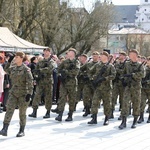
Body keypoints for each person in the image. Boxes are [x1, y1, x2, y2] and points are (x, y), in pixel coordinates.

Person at [0, 52, 33, 137]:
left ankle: (21, 130)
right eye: (15, 57)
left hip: (23, 94)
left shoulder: (26, 69)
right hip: (13, 93)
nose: (15, 58)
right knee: (9, 110)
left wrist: (29, 94)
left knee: (22, 113)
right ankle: (5, 128)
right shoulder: (13, 68)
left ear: (21, 58)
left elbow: (30, 82)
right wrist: (9, 61)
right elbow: (5, 70)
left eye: (17, 57)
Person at [118, 49, 145, 129]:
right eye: (130, 55)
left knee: (136, 104)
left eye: (132, 55)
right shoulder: (127, 64)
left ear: (136, 56)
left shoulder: (140, 65)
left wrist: (132, 75)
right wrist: (123, 78)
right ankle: (123, 121)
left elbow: (142, 75)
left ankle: (135, 121)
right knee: (125, 103)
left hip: (136, 87)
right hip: (128, 87)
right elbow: (123, 72)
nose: (130, 56)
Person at [87, 51, 116, 125]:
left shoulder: (110, 66)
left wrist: (105, 78)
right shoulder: (97, 65)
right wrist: (92, 78)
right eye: (101, 55)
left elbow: (113, 75)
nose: (101, 57)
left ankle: (107, 118)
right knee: (95, 102)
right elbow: (90, 72)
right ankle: (94, 118)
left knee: (107, 103)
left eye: (102, 55)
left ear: (106, 57)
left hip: (107, 88)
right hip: (98, 87)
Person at [28, 48, 56, 118]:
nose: (46, 53)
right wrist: (36, 76)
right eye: (45, 51)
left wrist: (40, 70)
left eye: (47, 51)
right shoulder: (40, 61)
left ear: (50, 53)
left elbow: (50, 69)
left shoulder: (51, 61)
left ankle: (48, 112)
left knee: (48, 97)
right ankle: (34, 111)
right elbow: (35, 70)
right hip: (40, 81)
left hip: (48, 82)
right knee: (37, 95)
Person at [55, 48, 80, 122]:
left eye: (70, 52)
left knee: (71, 99)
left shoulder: (76, 62)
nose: (69, 53)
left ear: (73, 54)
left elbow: (75, 72)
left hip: (72, 83)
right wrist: (60, 75)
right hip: (64, 83)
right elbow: (58, 69)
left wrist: (65, 72)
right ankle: (60, 114)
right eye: (68, 52)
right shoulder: (64, 62)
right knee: (62, 98)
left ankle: (70, 114)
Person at [137, 56, 150, 123]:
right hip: (143, 88)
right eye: (148, 60)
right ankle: (141, 116)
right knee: (142, 103)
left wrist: (147, 81)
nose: (148, 62)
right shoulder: (144, 68)